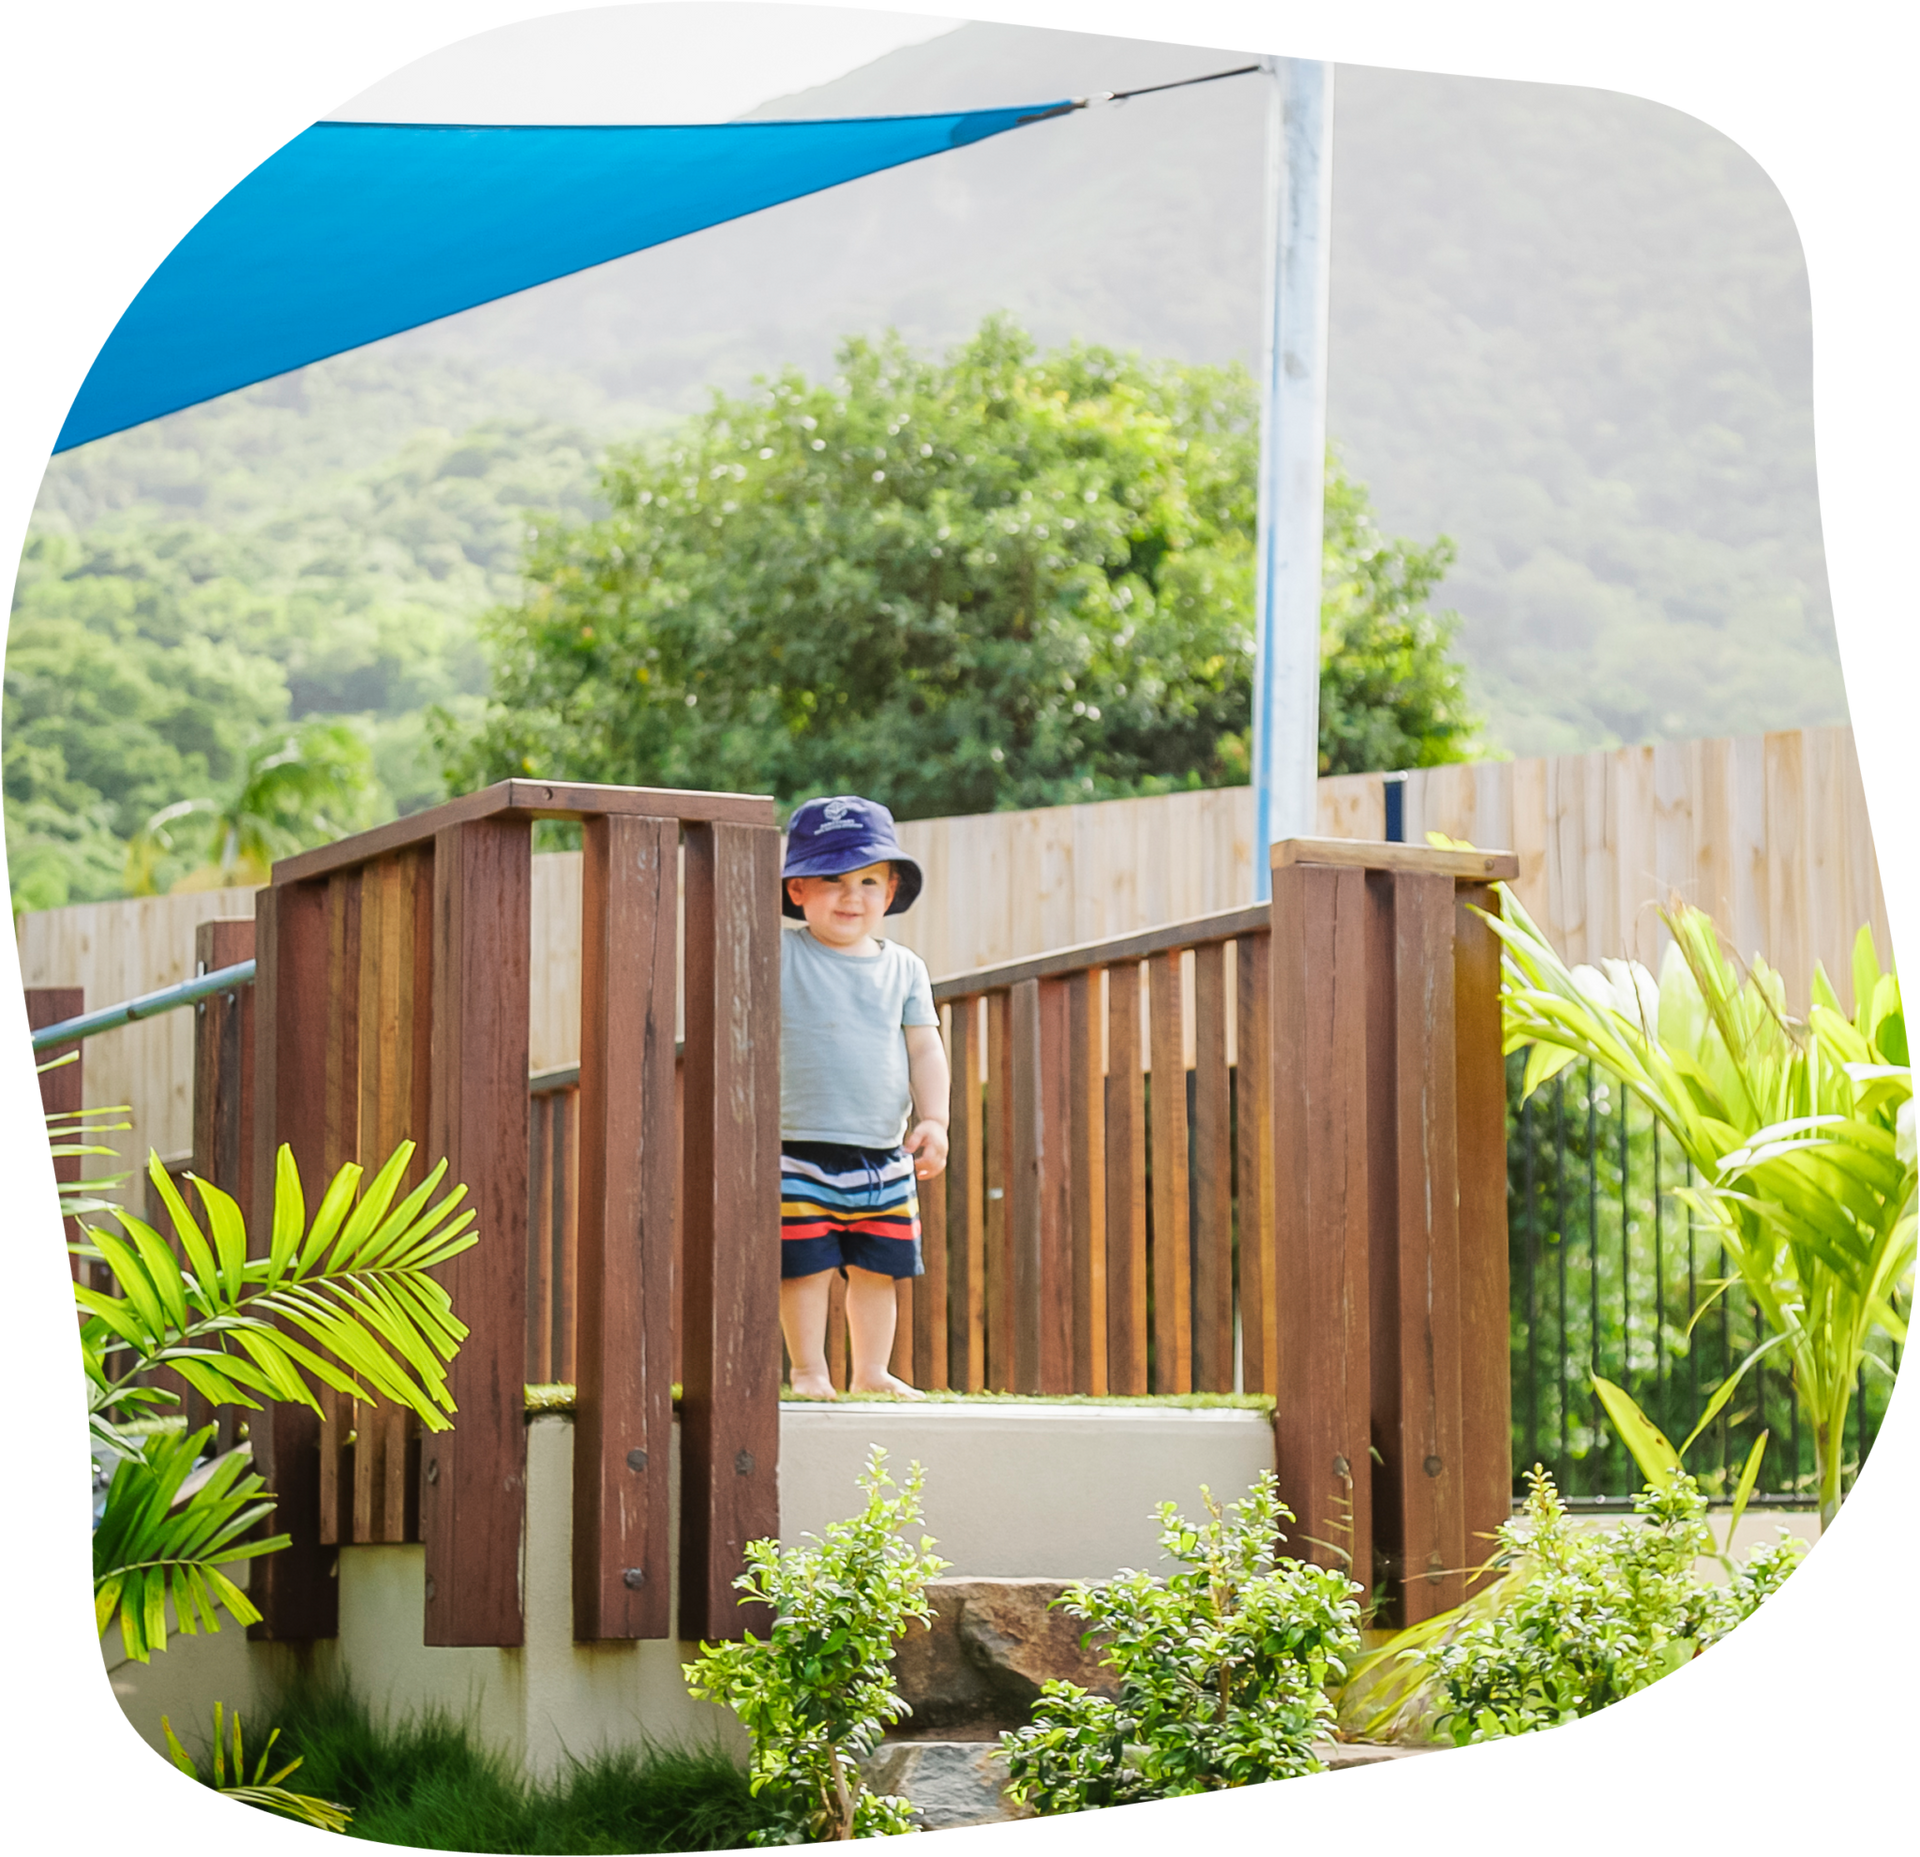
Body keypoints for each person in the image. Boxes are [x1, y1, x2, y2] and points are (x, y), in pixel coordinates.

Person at [778, 794, 949, 1400]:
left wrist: (934, 1119)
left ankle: (871, 1371)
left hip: (883, 1153)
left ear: (891, 888)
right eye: (832, 880)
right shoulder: (781, 956)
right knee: (805, 1268)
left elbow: (924, 1048)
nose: (851, 896)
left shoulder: (904, 968)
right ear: (797, 888)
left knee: (880, 1269)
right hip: (795, 1151)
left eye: (867, 880)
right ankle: (808, 1372)